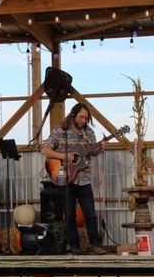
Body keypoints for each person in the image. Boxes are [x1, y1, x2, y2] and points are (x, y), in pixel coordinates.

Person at [40, 103, 107, 255]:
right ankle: (74, 245)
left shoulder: (88, 133)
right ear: (73, 115)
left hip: (84, 180)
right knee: (69, 214)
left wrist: (100, 147)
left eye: (86, 118)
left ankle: (95, 245)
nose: (84, 120)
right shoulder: (60, 131)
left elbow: (94, 152)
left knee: (90, 213)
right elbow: (44, 149)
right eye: (81, 117)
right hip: (64, 179)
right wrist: (64, 156)